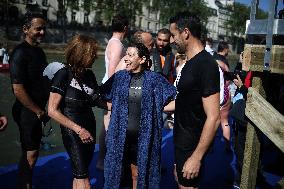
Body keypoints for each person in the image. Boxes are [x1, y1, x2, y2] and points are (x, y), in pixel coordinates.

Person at [101, 43, 176, 189]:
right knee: (116, 174)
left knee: (138, 175)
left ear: (142, 59)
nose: (125, 59)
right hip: (119, 137)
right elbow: (100, 96)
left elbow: (177, 99)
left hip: (144, 139)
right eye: (125, 55)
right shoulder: (119, 77)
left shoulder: (154, 79)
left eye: (130, 55)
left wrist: (157, 108)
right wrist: (114, 107)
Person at [169, 12, 220, 189]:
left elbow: (214, 117)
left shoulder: (206, 65)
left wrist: (196, 157)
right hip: (182, 140)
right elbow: (183, 101)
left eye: (174, 35)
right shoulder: (190, 63)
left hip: (192, 144)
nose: (172, 40)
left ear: (185, 33)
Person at [48, 35, 101, 189]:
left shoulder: (89, 75)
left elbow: (98, 101)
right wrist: (79, 130)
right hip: (73, 130)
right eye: (93, 54)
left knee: (80, 173)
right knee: (84, 179)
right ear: (81, 53)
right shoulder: (63, 74)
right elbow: (52, 110)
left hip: (89, 126)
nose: (96, 57)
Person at [9, 11, 50, 189]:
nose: (42, 32)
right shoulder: (19, 53)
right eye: (38, 29)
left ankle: (24, 183)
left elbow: (43, 78)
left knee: (30, 152)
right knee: (31, 154)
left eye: (44, 29)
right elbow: (18, 89)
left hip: (38, 110)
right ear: (26, 29)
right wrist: (38, 111)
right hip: (28, 111)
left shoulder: (39, 52)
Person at [97, 14, 129, 170]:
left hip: (107, 85)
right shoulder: (117, 44)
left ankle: (102, 160)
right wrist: (114, 93)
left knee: (106, 125)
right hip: (111, 87)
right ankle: (105, 161)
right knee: (110, 125)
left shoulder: (112, 42)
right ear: (125, 28)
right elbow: (113, 71)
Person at [213, 41, 231, 150]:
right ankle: (227, 146)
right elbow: (228, 76)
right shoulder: (224, 62)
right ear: (224, 49)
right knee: (225, 121)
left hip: (213, 93)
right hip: (224, 93)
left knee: (211, 120)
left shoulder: (210, 59)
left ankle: (210, 147)